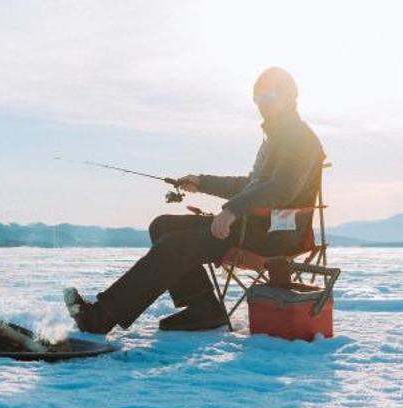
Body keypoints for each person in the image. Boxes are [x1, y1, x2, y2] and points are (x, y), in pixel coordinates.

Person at [64, 67, 324, 334]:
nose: (262, 104)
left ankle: (101, 318)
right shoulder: (276, 139)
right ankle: (203, 308)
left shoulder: (300, 139)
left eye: (269, 96)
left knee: (176, 246)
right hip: (254, 223)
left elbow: (281, 190)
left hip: (276, 232)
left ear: (290, 96)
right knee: (163, 226)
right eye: (257, 98)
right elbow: (250, 185)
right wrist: (202, 182)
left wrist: (232, 209)